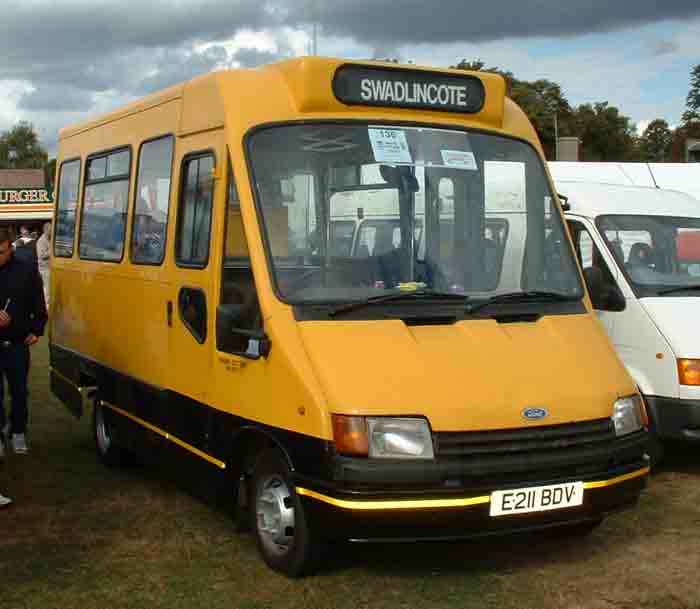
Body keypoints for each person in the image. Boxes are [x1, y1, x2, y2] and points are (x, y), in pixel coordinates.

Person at [0, 228, 48, 455]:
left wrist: (37, 329)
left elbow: (37, 300)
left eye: (1, 252)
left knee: (19, 390)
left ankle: (18, 431)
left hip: (17, 341)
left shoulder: (25, 270)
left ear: (10, 247)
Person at [36, 222, 51, 306]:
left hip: (49, 268)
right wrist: (51, 251)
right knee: (47, 289)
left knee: (49, 288)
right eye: (50, 230)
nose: (51, 232)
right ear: (45, 230)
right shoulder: (41, 241)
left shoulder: (49, 239)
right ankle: (46, 307)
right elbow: (40, 256)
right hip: (44, 269)